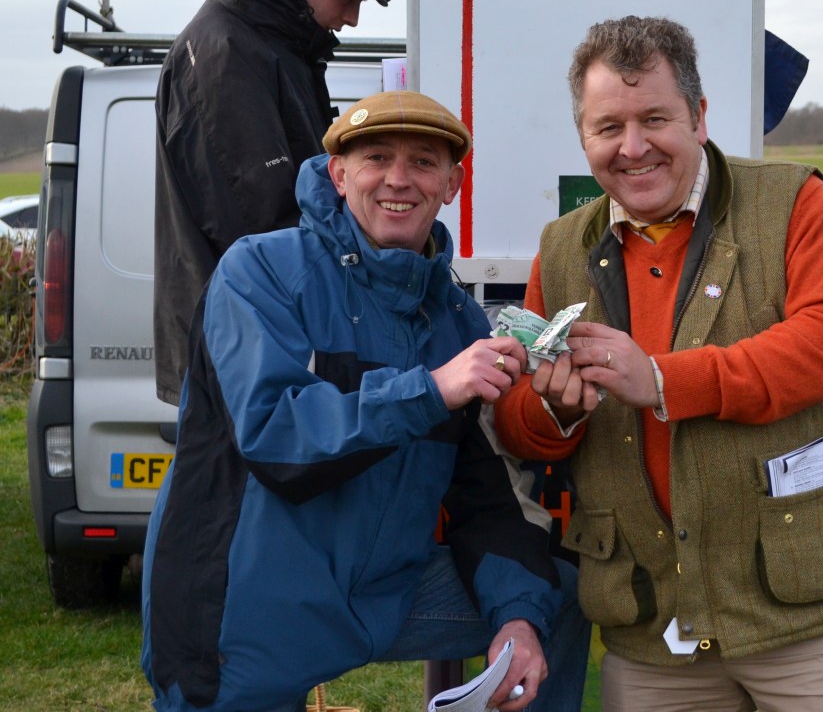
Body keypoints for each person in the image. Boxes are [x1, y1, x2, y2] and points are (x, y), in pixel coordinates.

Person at [494, 16, 823, 712]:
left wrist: (661, 380)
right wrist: (553, 410)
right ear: (584, 137)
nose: (633, 147)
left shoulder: (795, 202)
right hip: (656, 634)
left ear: (699, 116)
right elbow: (517, 423)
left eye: (655, 118)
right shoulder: (562, 248)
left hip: (812, 623)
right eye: (608, 127)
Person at [141, 91, 590, 712]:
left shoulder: (457, 320)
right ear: (339, 174)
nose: (398, 179)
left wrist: (517, 618)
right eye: (376, 158)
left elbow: (483, 500)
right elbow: (276, 438)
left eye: (423, 162)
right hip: (241, 612)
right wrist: (430, 390)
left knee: (551, 601)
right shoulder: (259, 271)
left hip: (382, 596)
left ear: (452, 185)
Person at [154, 0, 391, 404]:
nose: (352, 17)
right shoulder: (226, 50)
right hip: (245, 354)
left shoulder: (274, 45)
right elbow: (266, 224)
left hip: (262, 341)